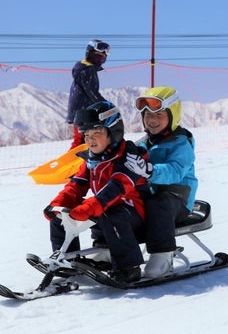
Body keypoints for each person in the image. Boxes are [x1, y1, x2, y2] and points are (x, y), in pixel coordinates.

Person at [44, 100, 149, 284]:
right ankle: (67, 260)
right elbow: (77, 185)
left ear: (113, 132)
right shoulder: (92, 160)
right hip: (104, 211)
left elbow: (115, 188)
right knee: (61, 215)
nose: (90, 139)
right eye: (87, 134)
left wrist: (89, 207)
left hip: (135, 215)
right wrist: (58, 204)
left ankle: (129, 267)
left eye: (97, 133)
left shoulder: (130, 157)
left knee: (111, 213)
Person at [123, 86, 198, 278]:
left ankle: (162, 255)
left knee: (158, 203)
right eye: (147, 115)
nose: (152, 120)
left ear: (173, 116)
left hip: (178, 200)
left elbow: (175, 171)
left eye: (160, 115)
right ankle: (108, 250)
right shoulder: (143, 142)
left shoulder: (181, 143)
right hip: (150, 196)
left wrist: (149, 170)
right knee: (120, 203)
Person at [66, 39, 110, 149]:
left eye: (102, 57)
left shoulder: (86, 69)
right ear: (89, 54)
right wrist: (105, 105)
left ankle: (76, 161)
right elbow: (92, 92)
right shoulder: (86, 70)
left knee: (81, 140)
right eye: (97, 56)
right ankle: (70, 162)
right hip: (83, 112)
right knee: (82, 140)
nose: (100, 59)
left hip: (81, 111)